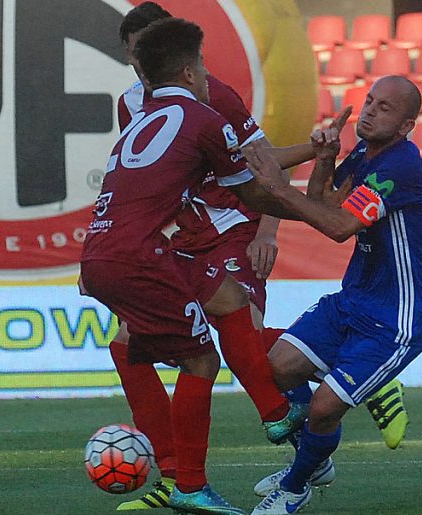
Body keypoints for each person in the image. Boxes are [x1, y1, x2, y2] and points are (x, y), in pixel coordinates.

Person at [105, 4, 407, 510]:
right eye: (135, 56)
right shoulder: (130, 104)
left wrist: (268, 230)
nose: (142, 65)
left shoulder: (210, 93)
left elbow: (261, 165)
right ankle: (177, 473)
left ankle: (351, 380)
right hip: (181, 234)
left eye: (148, 53)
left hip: (233, 228)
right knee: (130, 344)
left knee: (238, 336)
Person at [80, 17, 318, 514]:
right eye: (203, 65)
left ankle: (276, 414)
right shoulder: (206, 120)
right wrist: (323, 214)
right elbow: (256, 190)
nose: (208, 73)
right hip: (146, 254)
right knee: (201, 360)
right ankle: (189, 483)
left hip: (107, 249)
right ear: (189, 73)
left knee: (226, 302)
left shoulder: (141, 117)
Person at [241, 75, 422, 514]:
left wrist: (274, 186)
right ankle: (317, 460)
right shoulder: (366, 154)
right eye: (369, 101)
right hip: (354, 300)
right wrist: (326, 158)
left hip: (397, 318)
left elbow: (337, 228)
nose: (369, 111)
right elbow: (323, 203)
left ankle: (295, 486)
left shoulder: (401, 167)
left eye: (384, 108)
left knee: (324, 409)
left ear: (406, 126)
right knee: (275, 369)